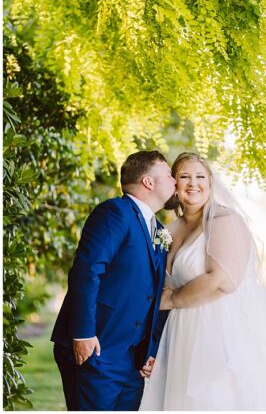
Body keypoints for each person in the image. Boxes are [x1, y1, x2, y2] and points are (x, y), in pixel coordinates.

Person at [138, 152, 266, 410]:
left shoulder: (225, 221)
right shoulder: (166, 232)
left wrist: (172, 299)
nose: (193, 183)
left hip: (220, 331)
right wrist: (154, 349)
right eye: (184, 176)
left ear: (211, 182)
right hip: (180, 333)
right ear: (174, 184)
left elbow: (223, 281)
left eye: (200, 176)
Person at [51, 150, 176, 410]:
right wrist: (83, 333)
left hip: (132, 360)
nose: (175, 179)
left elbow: (154, 294)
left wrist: (150, 349)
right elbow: (87, 271)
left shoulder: (159, 231)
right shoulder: (114, 212)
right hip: (96, 347)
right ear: (148, 182)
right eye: (168, 174)